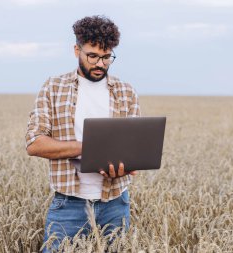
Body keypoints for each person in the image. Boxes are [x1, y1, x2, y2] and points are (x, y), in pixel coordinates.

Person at [25, 15, 141, 252]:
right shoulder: (53, 87)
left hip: (116, 202)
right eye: (92, 56)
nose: (100, 63)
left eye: (107, 57)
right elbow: (35, 143)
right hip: (68, 204)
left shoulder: (126, 91)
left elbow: (134, 148)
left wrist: (128, 165)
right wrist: (89, 148)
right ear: (76, 49)